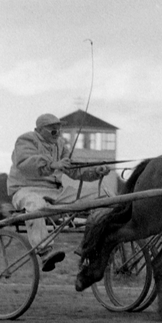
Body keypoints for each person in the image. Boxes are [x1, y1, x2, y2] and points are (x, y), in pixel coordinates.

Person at [8, 113, 112, 270]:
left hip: (56, 192)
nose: (57, 132)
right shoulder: (26, 140)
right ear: (39, 130)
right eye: (53, 129)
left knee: (105, 195)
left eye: (59, 129)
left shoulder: (60, 145)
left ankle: (94, 245)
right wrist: (53, 164)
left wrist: (97, 170)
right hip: (26, 190)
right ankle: (44, 251)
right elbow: (25, 163)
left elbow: (75, 168)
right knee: (36, 206)